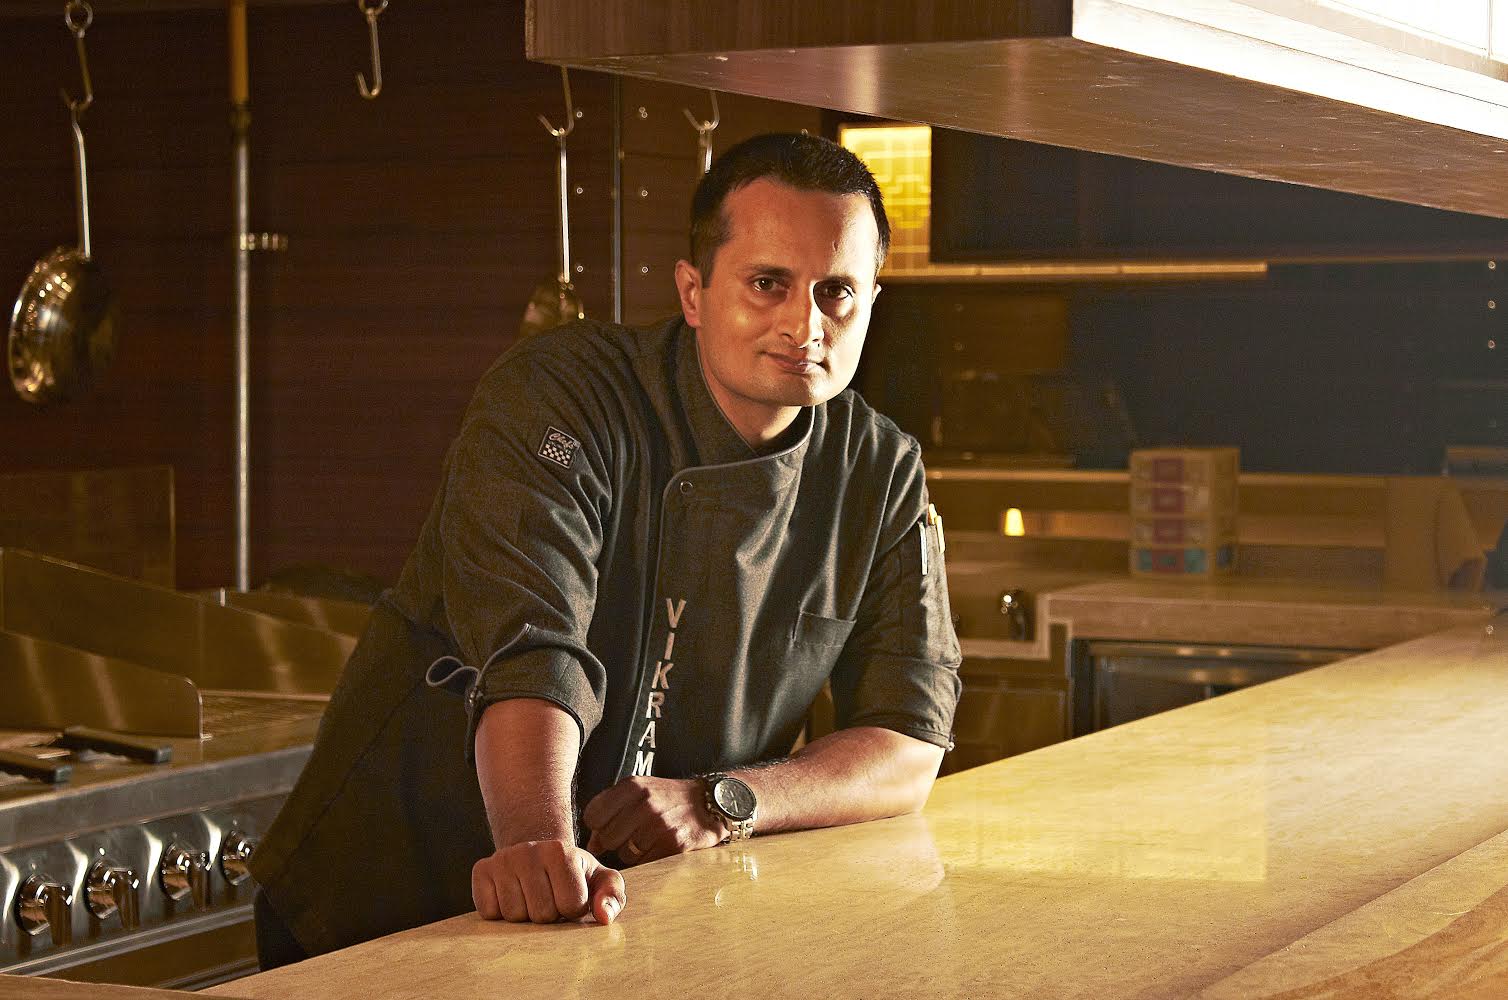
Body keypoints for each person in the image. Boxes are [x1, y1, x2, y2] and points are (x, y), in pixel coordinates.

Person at [250, 132, 962, 968]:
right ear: (693, 292)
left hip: (633, 918)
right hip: (395, 898)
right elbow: (532, 653)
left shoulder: (880, 468)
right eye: (767, 283)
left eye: (836, 291)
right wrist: (536, 845)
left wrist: (724, 802)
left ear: (872, 299)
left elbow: (908, 740)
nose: (804, 324)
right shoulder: (561, 397)